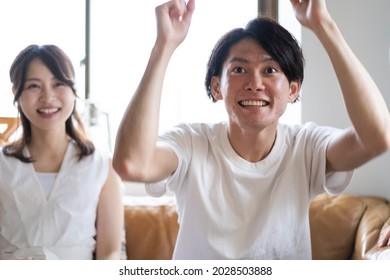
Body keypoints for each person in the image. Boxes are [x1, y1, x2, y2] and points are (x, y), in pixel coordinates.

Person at [113, 0, 390, 259]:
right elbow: (131, 163)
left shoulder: (307, 146)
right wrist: (164, 46)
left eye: (270, 70)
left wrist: (323, 25)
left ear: (293, 90)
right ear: (216, 87)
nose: (255, 83)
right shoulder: (191, 142)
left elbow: (377, 137)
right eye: (238, 70)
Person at [0, 44, 123, 260]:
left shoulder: (102, 166)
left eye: (58, 84)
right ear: (16, 93)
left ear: (74, 90)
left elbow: (110, 251)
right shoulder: (3, 163)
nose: (48, 97)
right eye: (33, 86)